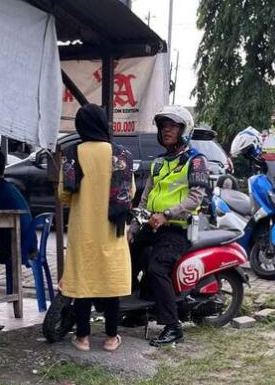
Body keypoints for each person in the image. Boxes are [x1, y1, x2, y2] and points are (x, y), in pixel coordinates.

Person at [129, 105, 209, 347]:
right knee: (126, 256)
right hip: (152, 225)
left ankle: (173, 326)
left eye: (172, 126)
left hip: (176, 228)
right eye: (164, 126)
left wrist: (166, 214)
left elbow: (196, 198)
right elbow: (144, 199)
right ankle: (137, 308)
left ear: (184, 130)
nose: (166, 131)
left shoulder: (195, 161)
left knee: (156, 269)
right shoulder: (159, 163)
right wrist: (133, 228)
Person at [59, 104, 134, 353]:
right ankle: (112, 338)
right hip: (112, 229)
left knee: (83, 282)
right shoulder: (121, 154)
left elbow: (64, 194)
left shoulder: (72, 153)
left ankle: (82, 338)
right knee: (109, 282)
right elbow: (130, 193)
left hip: (84, 230)